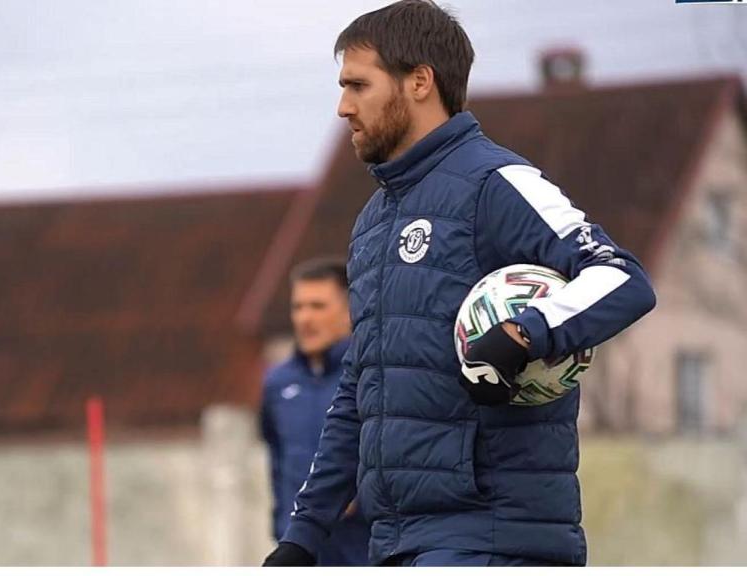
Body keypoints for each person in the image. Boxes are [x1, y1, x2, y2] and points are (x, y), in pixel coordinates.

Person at [263, 0, 656, 567]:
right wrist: (303, 537)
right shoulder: (373, 222)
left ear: (419, 81)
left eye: (358, 85)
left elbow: (622, 277)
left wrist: (525, 334)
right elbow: (359, 393)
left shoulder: (497, 183)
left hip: (493, 538)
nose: (343, 106)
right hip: (396, 542)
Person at [260, 257, 370, 566]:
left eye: (318, 306)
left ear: (350, 309)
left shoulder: (372, 377)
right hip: (303, 552)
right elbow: (277, 461)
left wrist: (360, 497)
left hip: (364, 549)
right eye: (298, 307)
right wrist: (281, 525)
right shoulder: (277, 383)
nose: (305, 318)